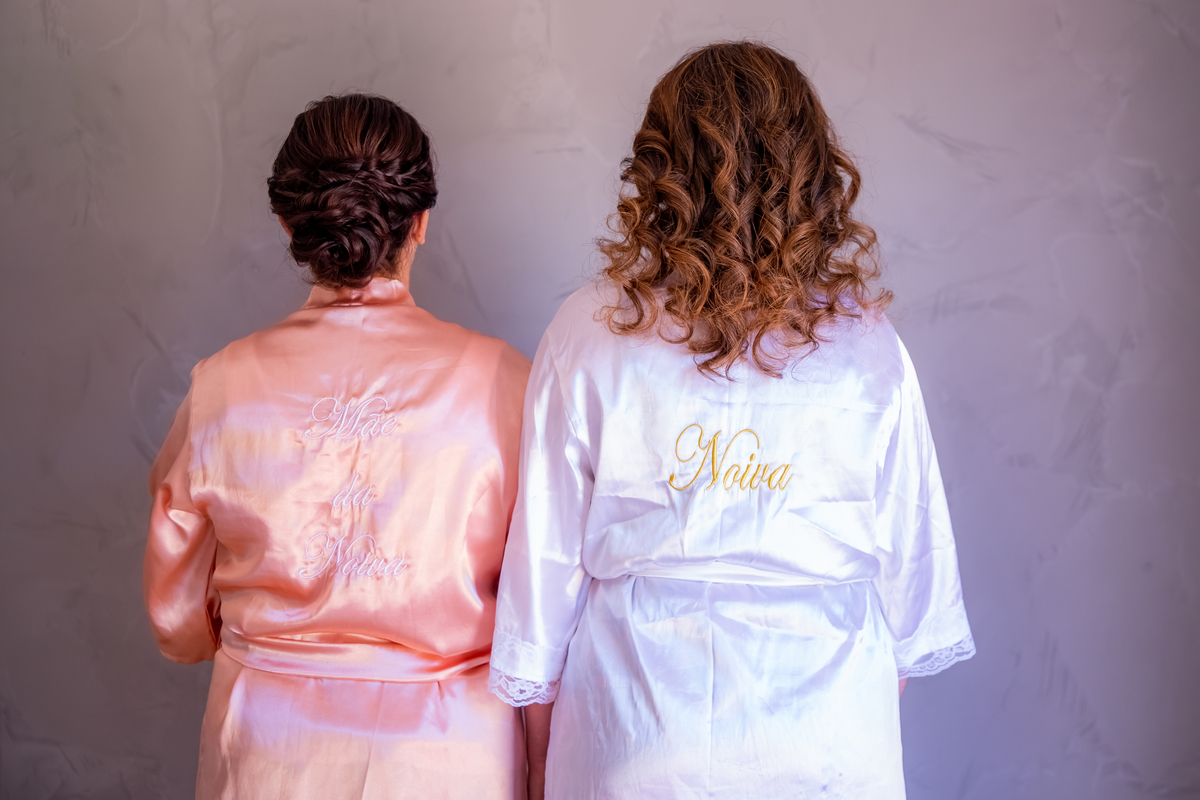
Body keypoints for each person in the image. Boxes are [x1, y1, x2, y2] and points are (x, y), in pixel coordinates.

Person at [488, 42, 975, 799]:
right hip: (828, 747)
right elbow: (913, 584)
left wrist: (541, 759)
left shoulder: (589, 330)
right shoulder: (867, 345)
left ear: (659, 168)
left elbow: (542, 574)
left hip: (636, 735)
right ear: (810, 169)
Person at [144, 94, 531, 800]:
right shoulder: (504, 380)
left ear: (290, 224)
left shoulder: (221, 383)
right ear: (421, 220)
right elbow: (542, 588)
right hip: (449, 757)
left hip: (269, 753)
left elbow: (176, 608)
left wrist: (220, 638)